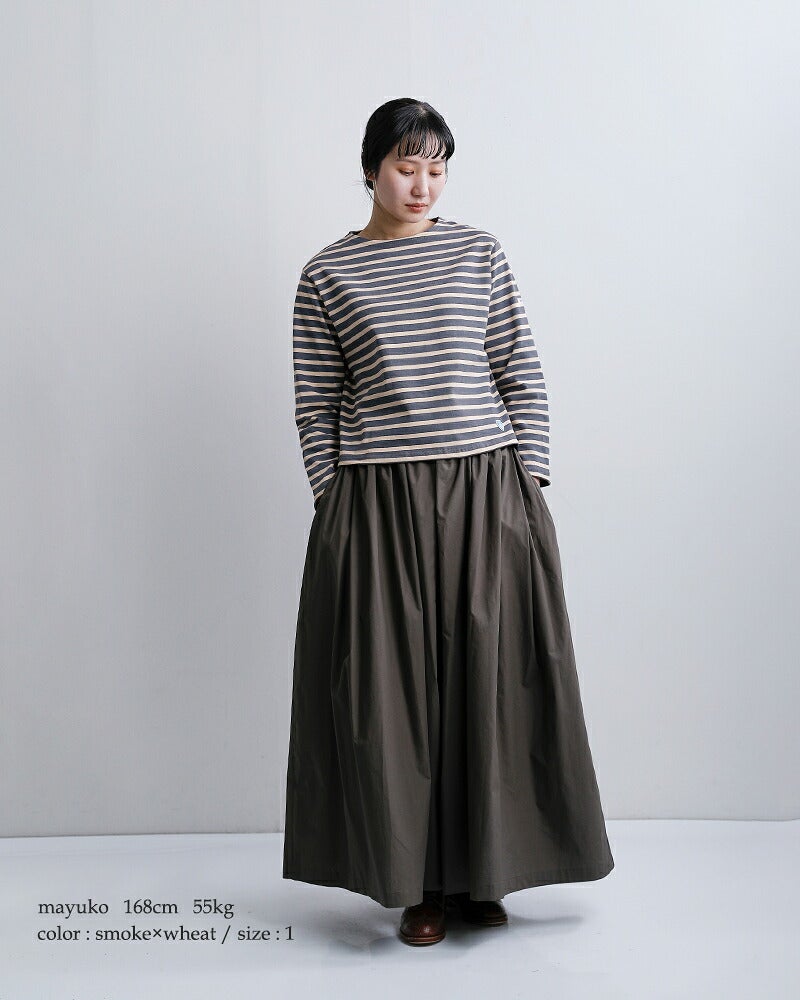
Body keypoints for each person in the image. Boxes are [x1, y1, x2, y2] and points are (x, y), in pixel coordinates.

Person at [283, 98, 614, 946]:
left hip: (486, 488)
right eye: (406, 166)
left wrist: (528, 481)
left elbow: (519, 367)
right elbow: (316, 400)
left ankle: (484, 878)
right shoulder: (327, 275)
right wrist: (333, 500)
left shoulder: (478, 253)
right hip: (377, 502)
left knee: (491, 683)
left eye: (436, 168)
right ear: (370, 169)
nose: (422, 184)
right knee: (393, 699)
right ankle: (420, 887)